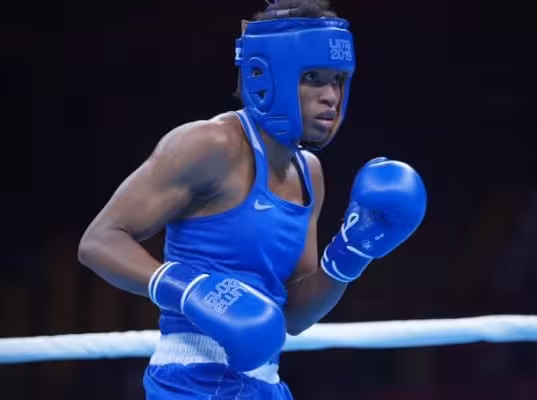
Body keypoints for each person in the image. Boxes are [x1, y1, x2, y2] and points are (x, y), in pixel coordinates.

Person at [77, 0, 427, 398]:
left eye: (338, 80)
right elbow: (99, 241)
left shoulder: (309, 173)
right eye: (313, 78)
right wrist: (188, 289)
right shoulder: (210, 144)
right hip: (191, 381)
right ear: (267, 75)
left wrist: (351, 252)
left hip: (265, 382)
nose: (330, 96)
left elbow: (294, 314)